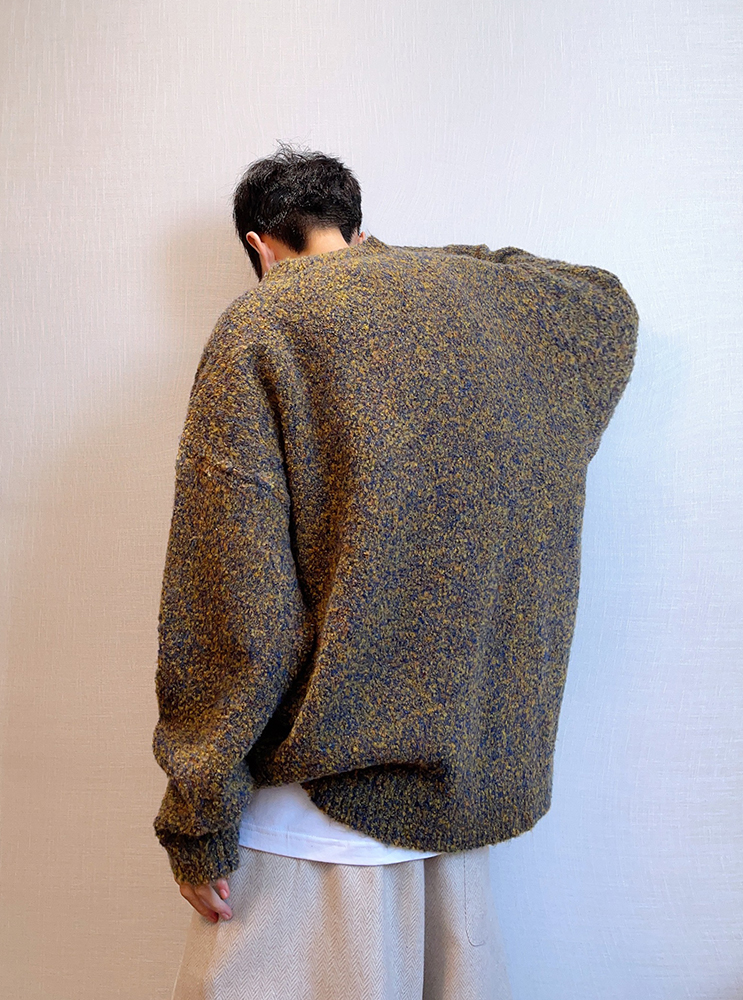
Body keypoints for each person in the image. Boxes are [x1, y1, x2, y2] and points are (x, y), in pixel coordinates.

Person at [152, 143, 639, 999]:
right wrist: (399, 266)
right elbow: (604, 301)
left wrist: (197, 815)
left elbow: (231, 601)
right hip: (457, 815)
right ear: (356, 226)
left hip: (310, 822)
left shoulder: (263, 323)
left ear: (261, 246)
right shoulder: (488, 303)